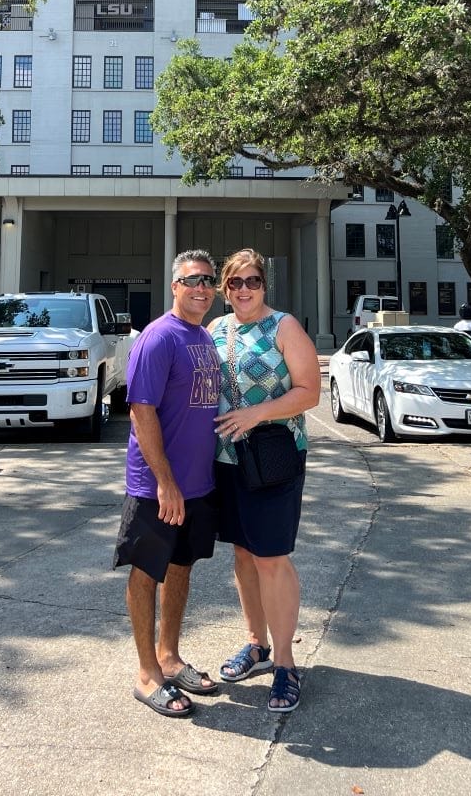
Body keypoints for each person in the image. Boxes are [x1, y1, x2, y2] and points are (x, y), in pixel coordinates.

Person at [209, 248, 321, 715]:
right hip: (226, 460)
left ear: (263, 285)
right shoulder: (215, 330)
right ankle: (256, 644)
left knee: (272, 557)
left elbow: (309, 391)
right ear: (224, 289)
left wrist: (258, 412)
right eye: (234, 283)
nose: (244, 290)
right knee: (242, 552)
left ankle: (286, 664)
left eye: (252, 281)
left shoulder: (284, 327)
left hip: (275, 457)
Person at [113, 249, 223, 718]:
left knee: (181, 568)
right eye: (192, 280)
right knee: (146, 573)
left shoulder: (203, 337)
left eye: (208, 280)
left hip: (197, 485)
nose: (202, 288)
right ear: (175, 286)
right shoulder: (159, 338)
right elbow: (141, 411)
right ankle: (146, 675)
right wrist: (165, 482)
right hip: (157, 487)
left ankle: (169, 656)